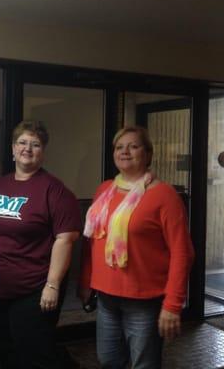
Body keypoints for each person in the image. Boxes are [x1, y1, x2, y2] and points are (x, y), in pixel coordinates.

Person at [79, 126, 194, 369]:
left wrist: (173, 304)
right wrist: (85, 281)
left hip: (144, 301)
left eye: (133, 146)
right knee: (108, 361)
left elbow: (182, 252)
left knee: (144, 365)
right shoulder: (104, 190)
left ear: (148, 154)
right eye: (119, 147)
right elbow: (92, 242)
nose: (125, 152)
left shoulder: (164, 195)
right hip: (106, 298)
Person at [0, 120, 82, 369]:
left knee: (34, 352)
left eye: (35, 144)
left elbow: (65, 239)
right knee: (5, 347)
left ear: (43, 151)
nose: (28, 148)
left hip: (34, 289)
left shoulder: (55, 190)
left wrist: (52, 285)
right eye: (22, 142)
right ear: (13, 149)